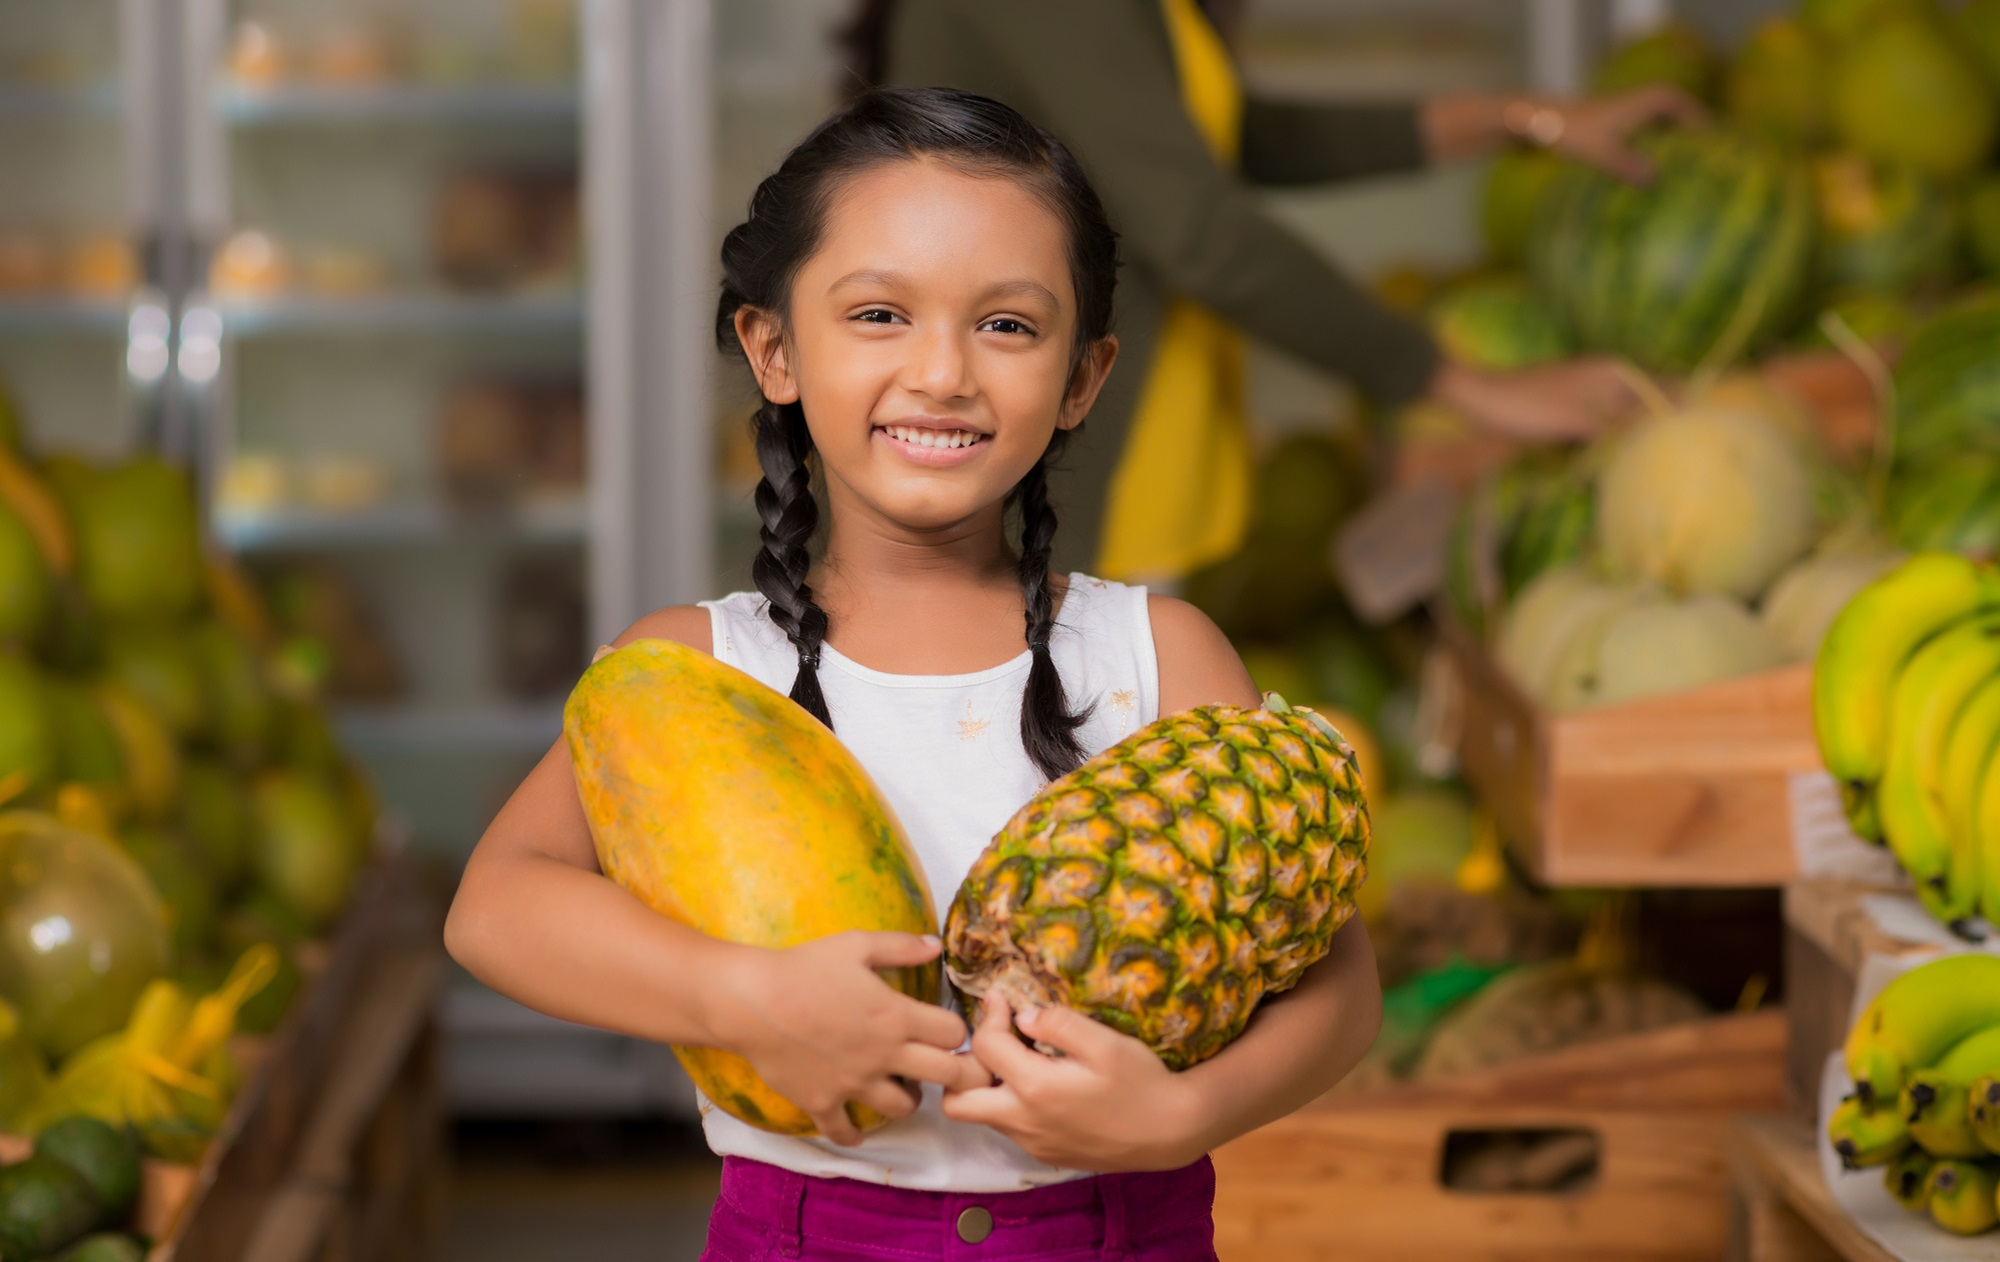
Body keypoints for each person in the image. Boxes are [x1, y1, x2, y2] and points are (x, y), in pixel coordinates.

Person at [445, 87, 1382, 1261]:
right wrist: (735, 997)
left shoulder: (1156, 656)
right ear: (772, 348)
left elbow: (1339, 981)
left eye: (1006, 326)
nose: (941, 372)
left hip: (1114, 1230)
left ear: (1083, 378)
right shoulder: (696, 668)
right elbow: (496, 906)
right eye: (879, 313)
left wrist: (1182, 1114)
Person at [844, 0, 1705, 578]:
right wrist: (1470, 386)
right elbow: (1202, 232)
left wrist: (1526, 121)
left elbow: (1237, 137)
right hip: (1032, 483)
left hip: (1079, 463)